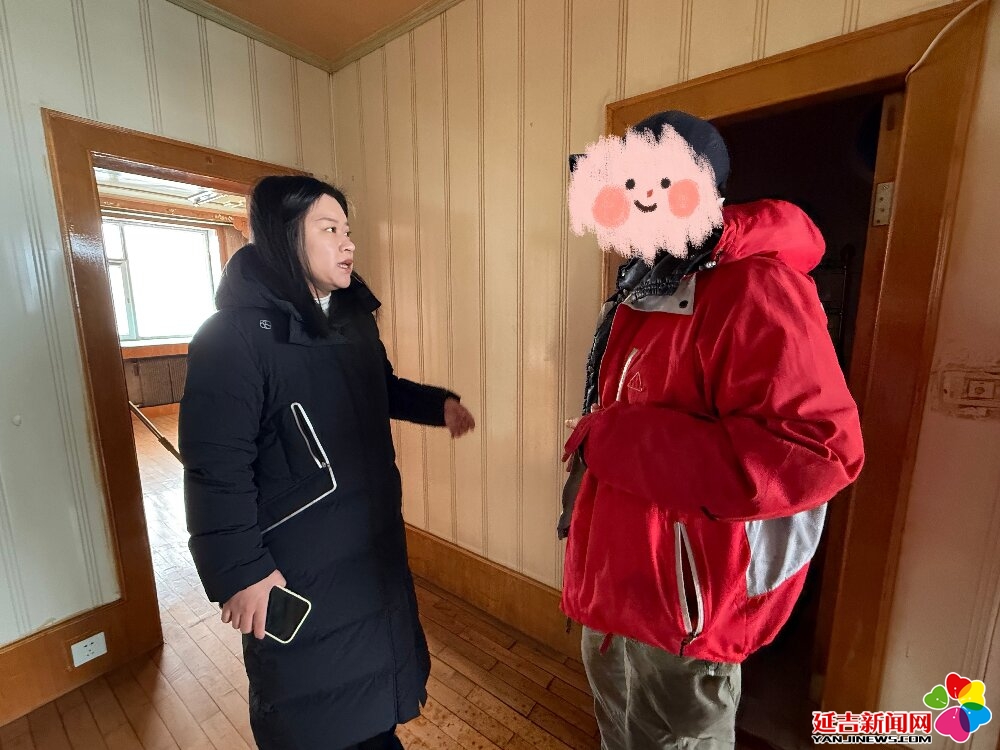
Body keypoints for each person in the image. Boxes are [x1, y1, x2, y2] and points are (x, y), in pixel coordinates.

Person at [560, 111, 865, 749]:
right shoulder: (645, 283)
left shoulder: (757, 286)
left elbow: (817, 451)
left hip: (684, 612)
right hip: (618, 588)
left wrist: (612, 438)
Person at [179, 175, 475, 750]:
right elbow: (215, 469)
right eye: (330, 229)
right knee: (314, 707)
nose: (348, 243)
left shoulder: (350, 319)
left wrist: (436, 405)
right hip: (294, 562)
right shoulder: (231, 338)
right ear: (286, 236)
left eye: (347, 229)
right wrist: (241, 573)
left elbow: (379, 387)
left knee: (373, 688)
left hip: (368, 541)